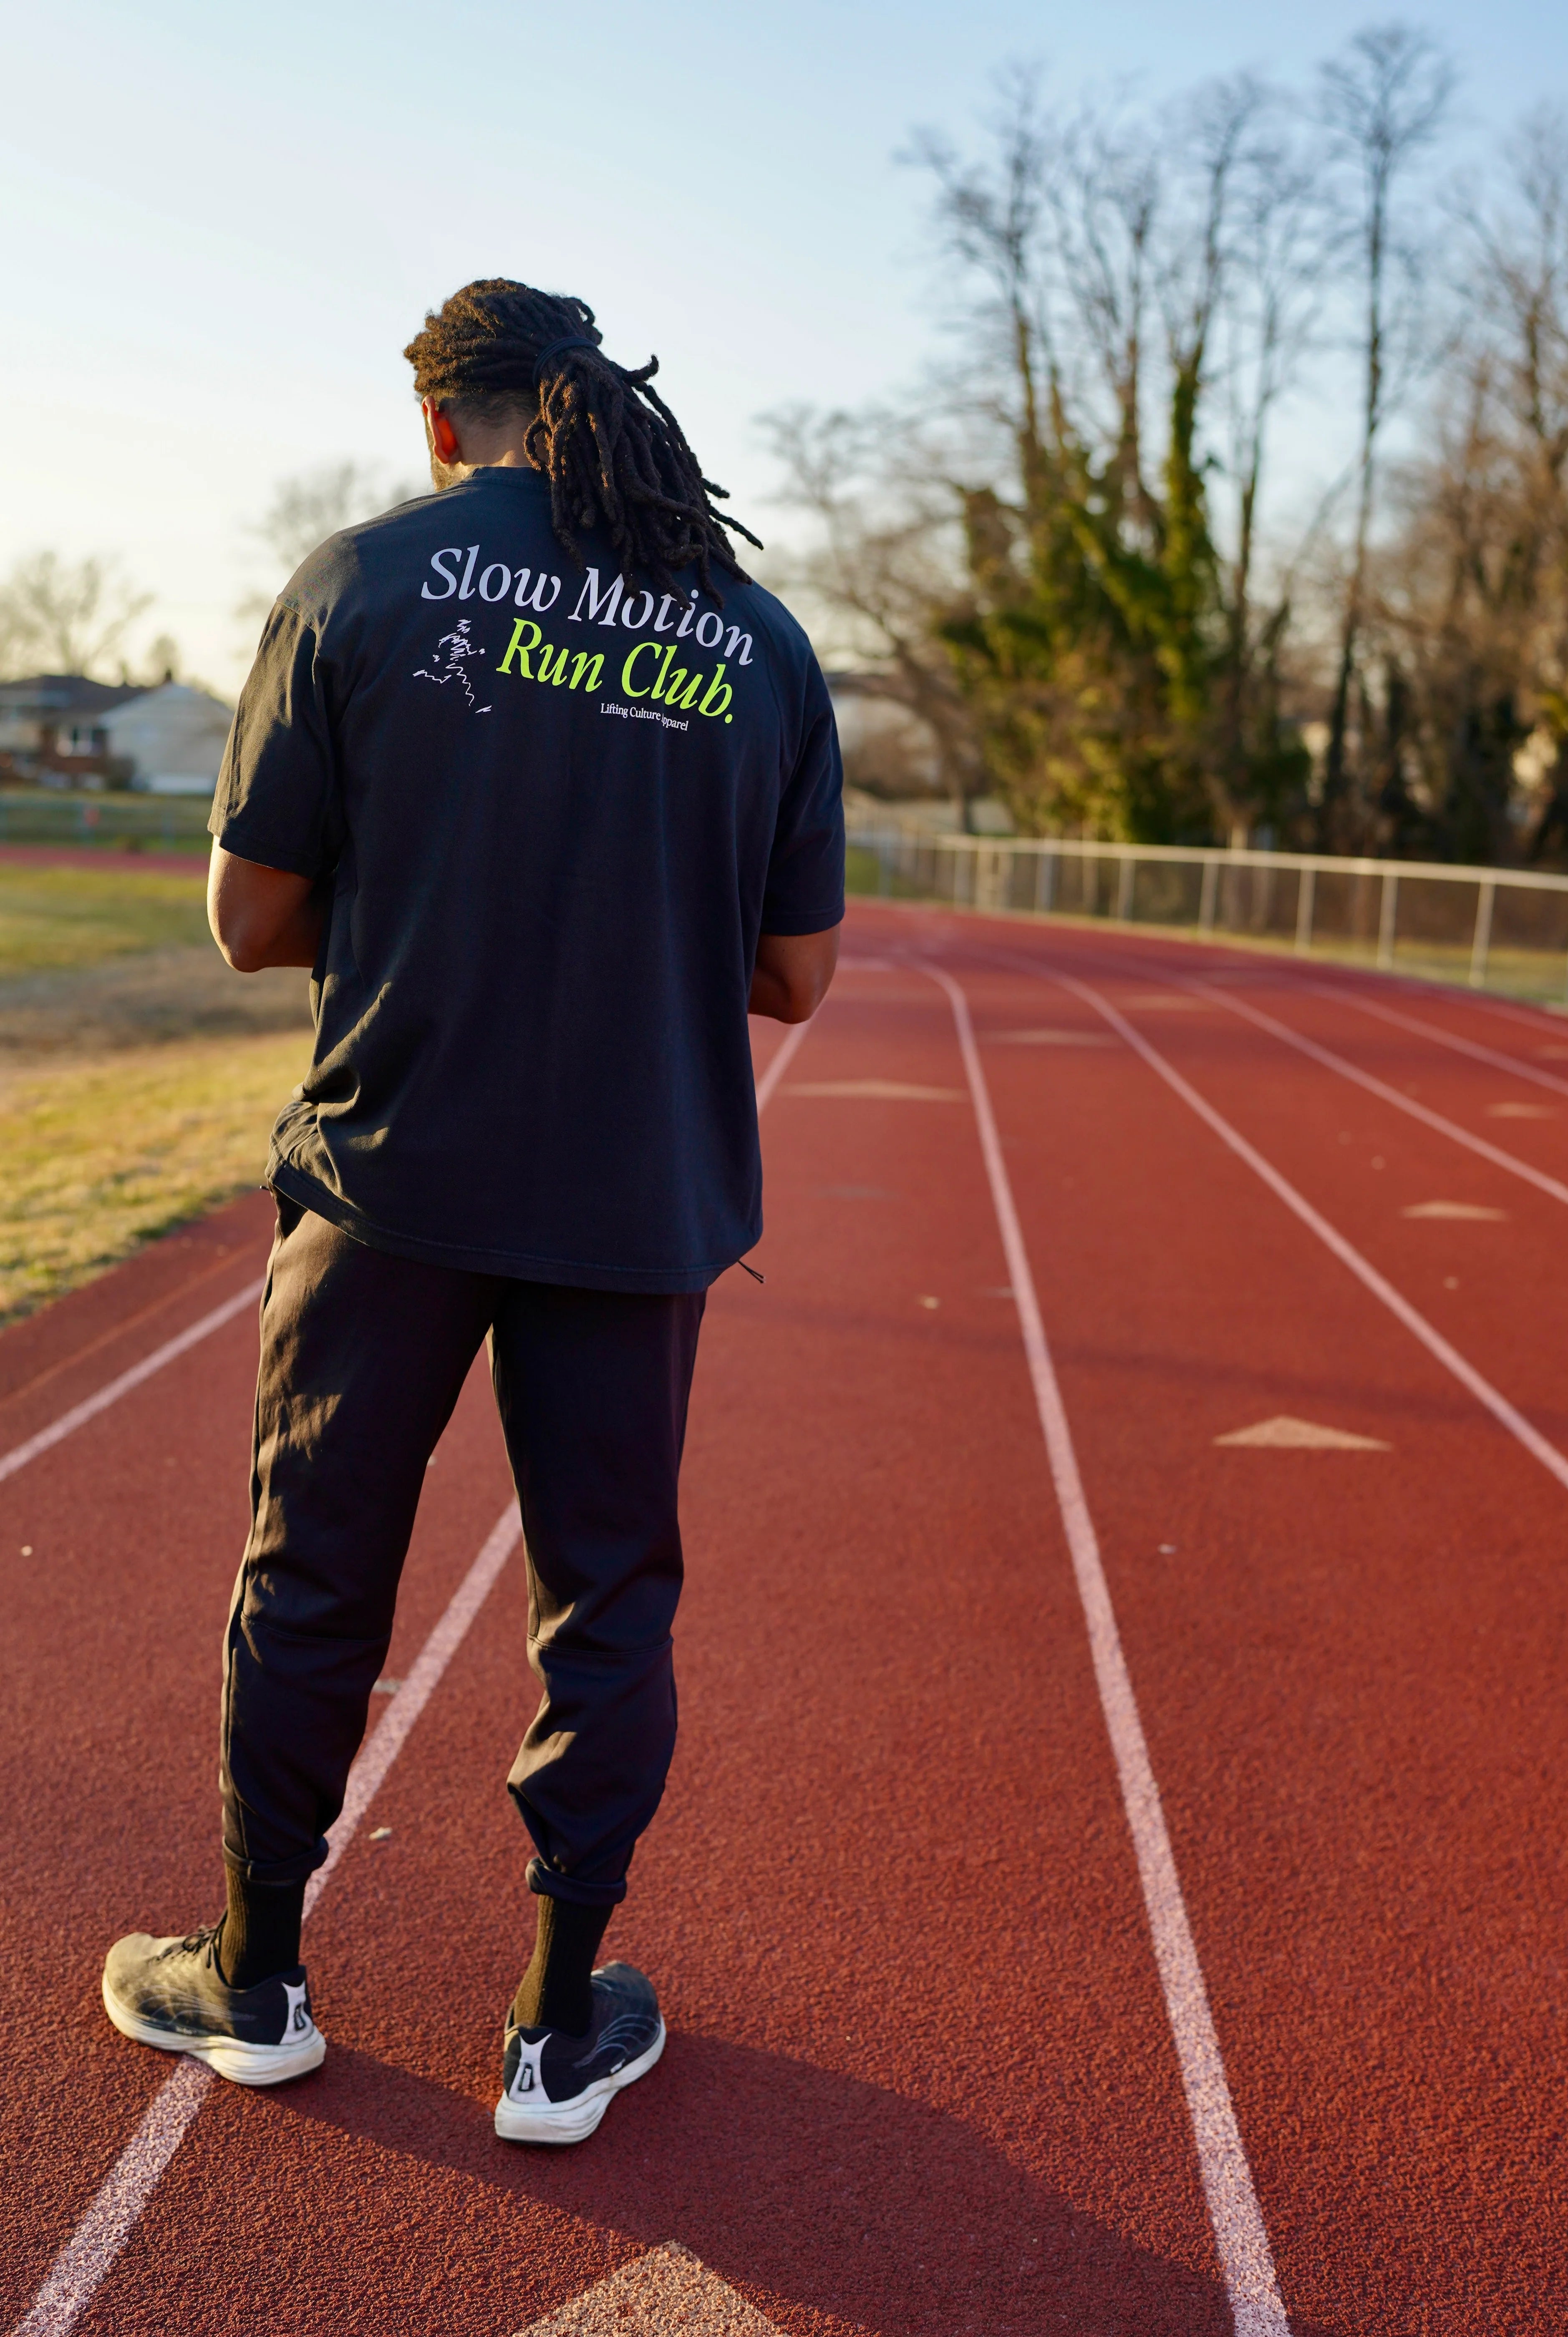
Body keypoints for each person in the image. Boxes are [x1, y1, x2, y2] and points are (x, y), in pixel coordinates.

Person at [100, 279, 844, 2145]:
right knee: (605, 1594)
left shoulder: (361, 578)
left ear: (441, 423)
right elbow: (800, 972)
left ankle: (254, 1976)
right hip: (633, 1191)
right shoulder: (753, 638)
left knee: (315, 1564)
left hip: (394, 1172)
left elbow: (247, 919)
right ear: (586, 399)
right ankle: (551, 2025)